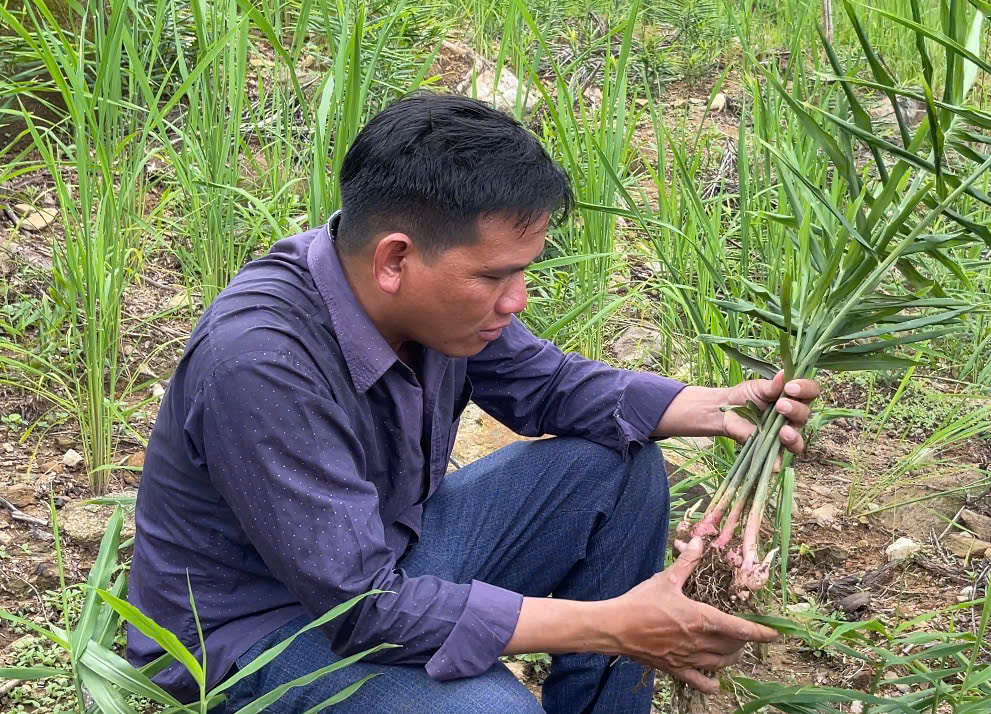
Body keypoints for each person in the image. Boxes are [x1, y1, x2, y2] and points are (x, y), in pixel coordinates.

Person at [127, 92, 820, 713]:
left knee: (616, 474)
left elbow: (545, 384)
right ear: (395, 259)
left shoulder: (430, 306)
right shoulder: (262, 361)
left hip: (382, 561)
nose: (514, 301)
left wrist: (714, 406)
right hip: (258, 634)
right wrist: (613, 622)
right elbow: (362, 610)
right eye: (494, 276)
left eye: (521, 272)